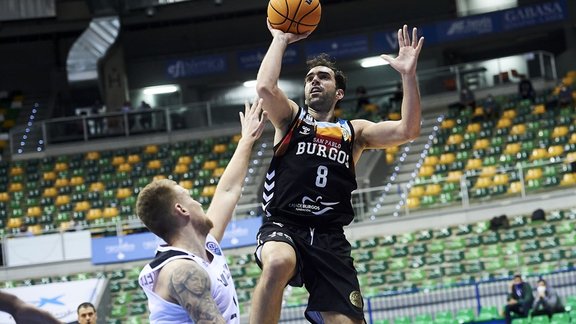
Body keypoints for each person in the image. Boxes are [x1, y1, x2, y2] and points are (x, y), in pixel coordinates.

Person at [250, 21, 423, 324]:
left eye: (323, 77)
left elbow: (407, 130)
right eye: (309, 78)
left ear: (339, 92)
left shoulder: (353, 131)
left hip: (330, 236)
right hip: (285, 223)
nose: (315, 81)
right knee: (278, 262)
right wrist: (279, 39)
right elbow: (265, 88)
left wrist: (408, 75)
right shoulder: (292, 118)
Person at [137, 99, 267, 323]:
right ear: (181, 210)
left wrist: (247, 140)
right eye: (190, 197)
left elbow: (227, 191)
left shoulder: (206, 244)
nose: (198, 202)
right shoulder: (182, 271)